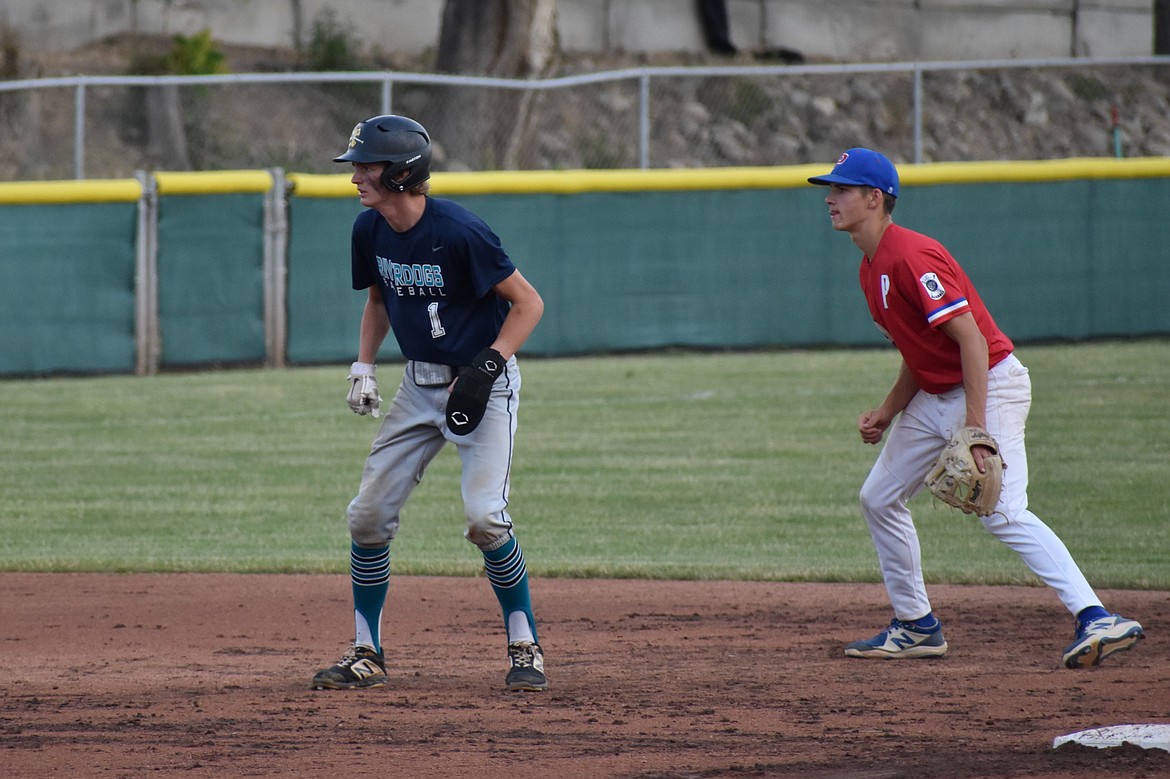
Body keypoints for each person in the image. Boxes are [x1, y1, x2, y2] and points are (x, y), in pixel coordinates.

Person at [807, 148, 1145, 668]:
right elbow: (920, 355)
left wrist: (976, 431)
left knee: (1003, 513)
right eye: (830, 189)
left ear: (874, 199)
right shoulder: (869, 268)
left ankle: (1097, 616)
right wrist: (887, 410)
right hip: (935, 395)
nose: (830, 199)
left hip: (989, 385)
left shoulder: (912, 256)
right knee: (879, 497)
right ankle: (917, 626)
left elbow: (970, 340)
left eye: (841, 189)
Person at [311, 114, 548, 692]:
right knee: (367, 516)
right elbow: (379, 300)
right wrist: (364, 364)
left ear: (402, 171)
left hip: (482, 385)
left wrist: (487, 367)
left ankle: (526, 646)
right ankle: (367, 653)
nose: (355, 178)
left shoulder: (461, 231)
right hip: (418, 385)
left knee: (485, 519)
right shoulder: (369, 230)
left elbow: (528, 304)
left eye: (367, 167)